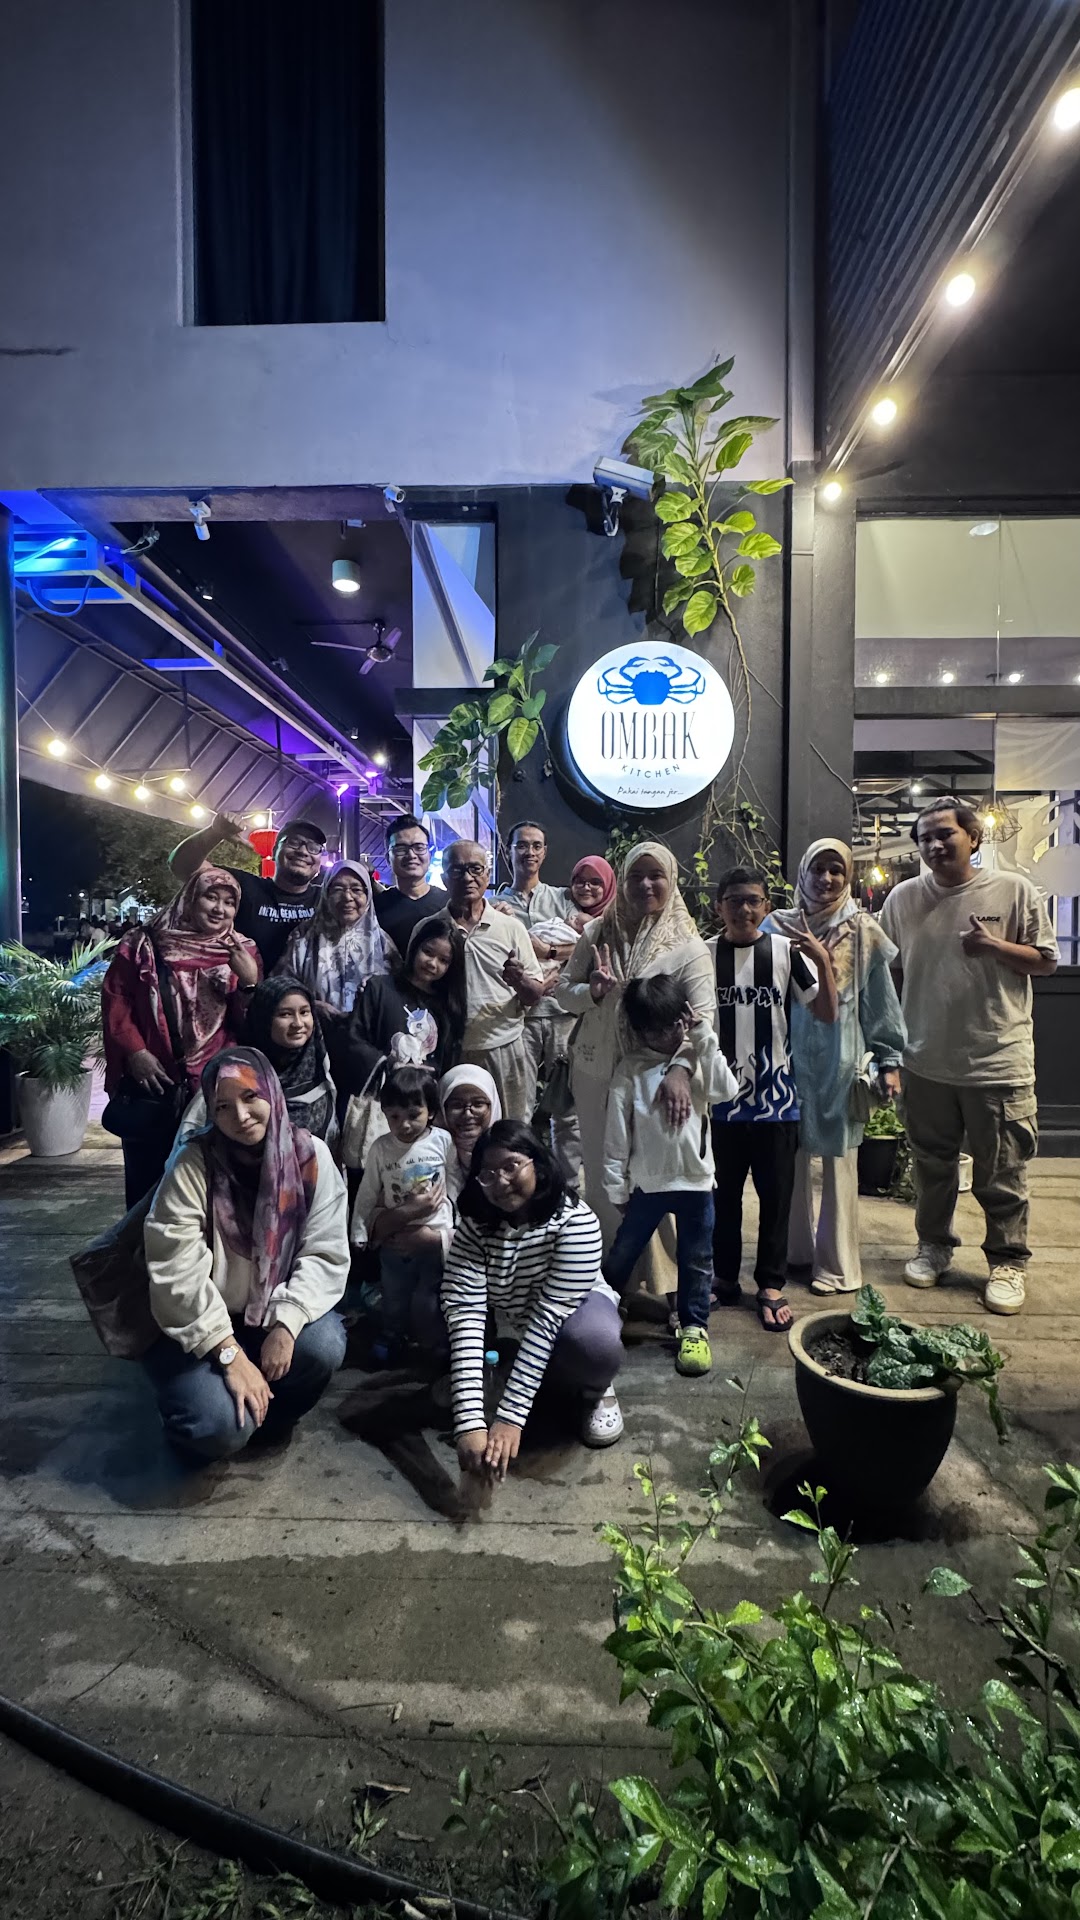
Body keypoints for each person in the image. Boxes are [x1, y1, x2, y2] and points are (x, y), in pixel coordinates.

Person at [880, 796, 1057, 1316]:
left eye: (945, 834)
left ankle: (1008, 1261)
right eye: (925, 838)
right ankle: (933, 1247)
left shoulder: (1013, 890)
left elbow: (1046, 961)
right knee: (932, 1169)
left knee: (1001, 1172)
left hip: (996, 1060)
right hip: (925, 1061)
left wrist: (996, 947)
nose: (935, 845)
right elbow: (889, 972)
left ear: (974, 838)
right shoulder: (903, 898)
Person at [141, 1048, 348, 1460]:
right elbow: (175, 1270)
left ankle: (267, 1412)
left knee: (322, 1345)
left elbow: (324, 1252)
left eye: (250, 1096)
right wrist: (229, 1353)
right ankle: (207, 1411)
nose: (240, 1115)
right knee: (216, 1428)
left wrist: (287, 1324)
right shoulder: (192, 1165)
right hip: (199, 1325)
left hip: (270, 1312)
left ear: (271, 1092)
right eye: (222, 1106)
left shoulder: (310, 1157)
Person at [556, 842, 716, 1250]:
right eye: (635, 876)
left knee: (658, 1172)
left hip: (659, 1078)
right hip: (596, 1071)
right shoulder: (597, 932)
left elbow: (702, 1018)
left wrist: (681, 1069)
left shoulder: (688, 947)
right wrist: (591, 992)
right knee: (602, 1167)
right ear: (623, 881)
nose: (645, 884)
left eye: (655, 875)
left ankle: (663, 1276)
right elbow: (562, 992)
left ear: (671, 880)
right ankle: (609, 1266)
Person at [442, 1122, 625, 1476]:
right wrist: (469, 1420)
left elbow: (548, 1320)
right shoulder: (475, 1226)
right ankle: (501, 1377)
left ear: (537, 1165)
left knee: (595, 1341)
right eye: (488, 1174)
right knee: (433, 1312)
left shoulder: (577, 1221)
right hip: (513, 1320)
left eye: (511, 1166)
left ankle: (595, 1389)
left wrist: (510, 1418)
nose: (500, 1181)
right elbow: (465, 1312)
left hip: (566, 1318)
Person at [768, 839, 905, 1293]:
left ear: (848, 878)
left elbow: (880, 1004)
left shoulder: (863, 931)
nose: (826, 879)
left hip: (839, 1061)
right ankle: (793, 1253)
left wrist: (889, 1060)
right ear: (802, 873)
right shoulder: (776, 926)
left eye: (836, 871)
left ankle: (838, 1265)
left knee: (840, 1164)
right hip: (783, 1057)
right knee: (787, 1160)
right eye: (817, 869)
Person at [709, 866, 837, 1331]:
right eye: (735, 900)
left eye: (753, 901)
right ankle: (724, 1278)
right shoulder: (704, 955)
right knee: (722, 1198)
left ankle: (770, 1284)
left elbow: (826, 1012)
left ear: (766, 906)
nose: (744, 909)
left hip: (777, 1102)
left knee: (776, 1200)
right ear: (719, 906)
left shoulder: (784, 952)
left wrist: (823, 961)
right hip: (720, 1102)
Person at [603, 974, 738, 1377]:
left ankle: (694, 1327)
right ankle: (602, 1304)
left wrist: (703, 1036)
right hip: (647, 1185)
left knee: (697, 1260)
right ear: (638, 1030)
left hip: (697, 1183)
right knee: (624, 1250)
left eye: (672, 1026)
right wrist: (616, 1186)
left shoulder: (696, 1056)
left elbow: (726, 1090)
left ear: (683, 1018)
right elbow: (616, 1132)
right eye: (653, 1030)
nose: (664, 1037)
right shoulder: (630, 1069)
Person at [101, 869, 261, 1208]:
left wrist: (249, 982)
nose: (219, 909)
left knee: (211, 1182)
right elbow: (117, 998)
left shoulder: (243, 950)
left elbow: (251, 1026)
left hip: (216, 1084)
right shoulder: (144, 943)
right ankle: (145, 1241)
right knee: (148, 1183)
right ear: (190, 899)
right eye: (211, 897)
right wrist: (135, 1051)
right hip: (157, 1078)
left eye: (229, 902)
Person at [493, 823, 603, 1180]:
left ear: (545, 852)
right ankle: (519, 1181)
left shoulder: (564, 898)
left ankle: (567, 1185)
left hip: (562, 1014)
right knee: (517, 1106)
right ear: (508, 850)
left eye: (536, 845)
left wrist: (550, 951)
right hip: (517, 1018)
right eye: (521, 845)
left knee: (567, 1107)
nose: (529, 852)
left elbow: (592, 943)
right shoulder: (495, 904)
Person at [350, 1064, 455, 1361]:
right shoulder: (381, 1148)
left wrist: (453, 1221)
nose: (404, 1125)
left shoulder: (442, 1141)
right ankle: (392, 1334)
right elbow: (368, 1191)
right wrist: (359, 1230)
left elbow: (455, 1181)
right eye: (394, 1116)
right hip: (394, 1239)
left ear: (430, 1112)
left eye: (413, 1115)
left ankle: (433, 1340)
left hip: (434, 1235)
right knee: (394, 1293)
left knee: (430, 1293)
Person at [441, 839, 549, 1119]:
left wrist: (519, 980)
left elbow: (534, 994)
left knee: (512, 1126)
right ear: (444, 878)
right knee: (456, 1131)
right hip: (450, 1050)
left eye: (475, 869)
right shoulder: (431, 929)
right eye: (457, 870)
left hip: (505, 1047)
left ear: (488, 875)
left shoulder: (511, 928)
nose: (467, 877)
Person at [277, 859, 392, 1086]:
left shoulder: (382, 942)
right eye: (338, 889)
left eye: (356, 889)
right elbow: (280, 988)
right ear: (325, 894)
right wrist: (311, 1006)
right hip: (312, 1046)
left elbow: (399, 998)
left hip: (369, 1052)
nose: (347, 897)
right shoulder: (303, 937)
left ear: (368, 895)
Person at [169, 812, 327, 973]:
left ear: (319, 861)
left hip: (305, 989)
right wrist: (214, 833)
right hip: (242, 987)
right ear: (274, 851)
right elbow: (182, 866)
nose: (303, 851)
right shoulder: (242, 886)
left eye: (314, 848)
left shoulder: (326, 899)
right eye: (293, 842)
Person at [342, 911, 466, 1089]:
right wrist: (387, 1065)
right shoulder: (379, 988)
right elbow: (354, 1038)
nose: (432, 963)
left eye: (443, 960)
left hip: (423, 1097)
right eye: (427, 952)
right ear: (415, 947)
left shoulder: (447, 1006)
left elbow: (447, 1060)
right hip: (380, 1092)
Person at [243, 976, 337, 1143]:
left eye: (304, 1012)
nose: (298, 1023)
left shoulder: (322, 1062)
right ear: (263, 1020)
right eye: (285, 1014)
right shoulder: (240, 1075)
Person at [373, 815, 450, 951]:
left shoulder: (449, 904)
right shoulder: (375, 907)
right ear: (388, 859)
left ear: (429, 855)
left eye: (419, 847)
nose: (411, 855)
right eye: (401, 849)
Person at [439, 1064, 502, 1200]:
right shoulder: (429, 1153)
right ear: (443, 1108)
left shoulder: (509, 1153)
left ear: (492, 1106)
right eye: (456, 1105)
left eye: (478, 1104)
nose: (467, 1114)